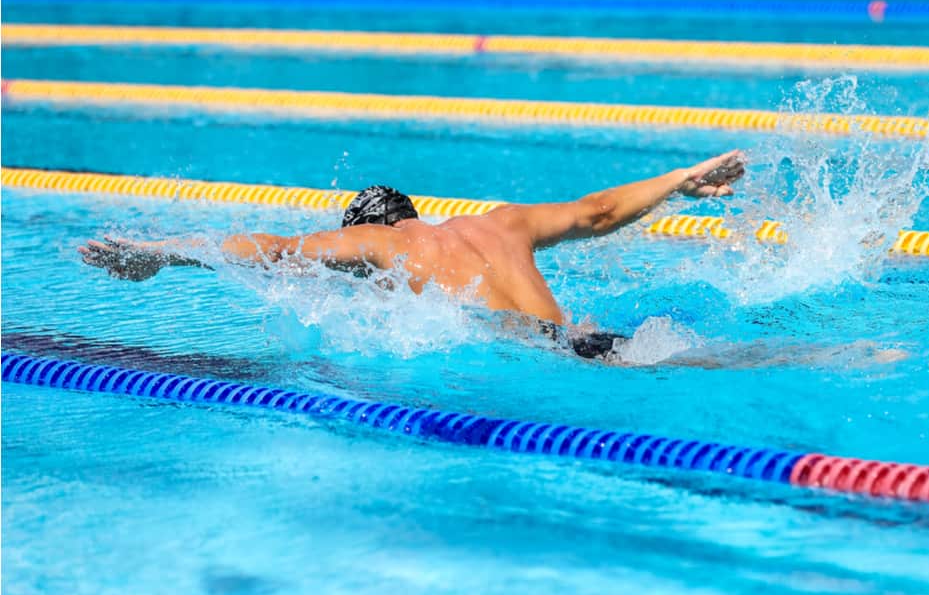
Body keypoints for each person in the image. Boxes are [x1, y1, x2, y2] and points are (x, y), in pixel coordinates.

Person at [79, 150, 747, 360]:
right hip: (591, 342)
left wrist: (164, 253)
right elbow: (596, 212)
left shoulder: (380, 245)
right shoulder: (501, 224)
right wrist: (677, 181)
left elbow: (276, 253)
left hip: (539, 362)